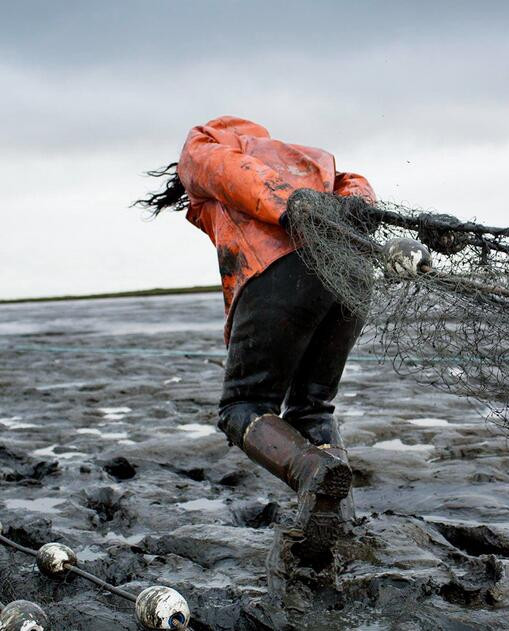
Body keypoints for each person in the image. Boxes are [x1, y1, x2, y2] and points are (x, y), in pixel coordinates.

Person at [135, 115, 374, 542]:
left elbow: (230, 171)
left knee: (242, 406)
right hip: (353, 272)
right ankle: (336, 523)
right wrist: (353, 206)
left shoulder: (205, 143)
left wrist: (290, 206)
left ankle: (312, 472)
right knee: (313, 407)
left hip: (283, 270)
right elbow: (354, 183)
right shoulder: (307, 157)